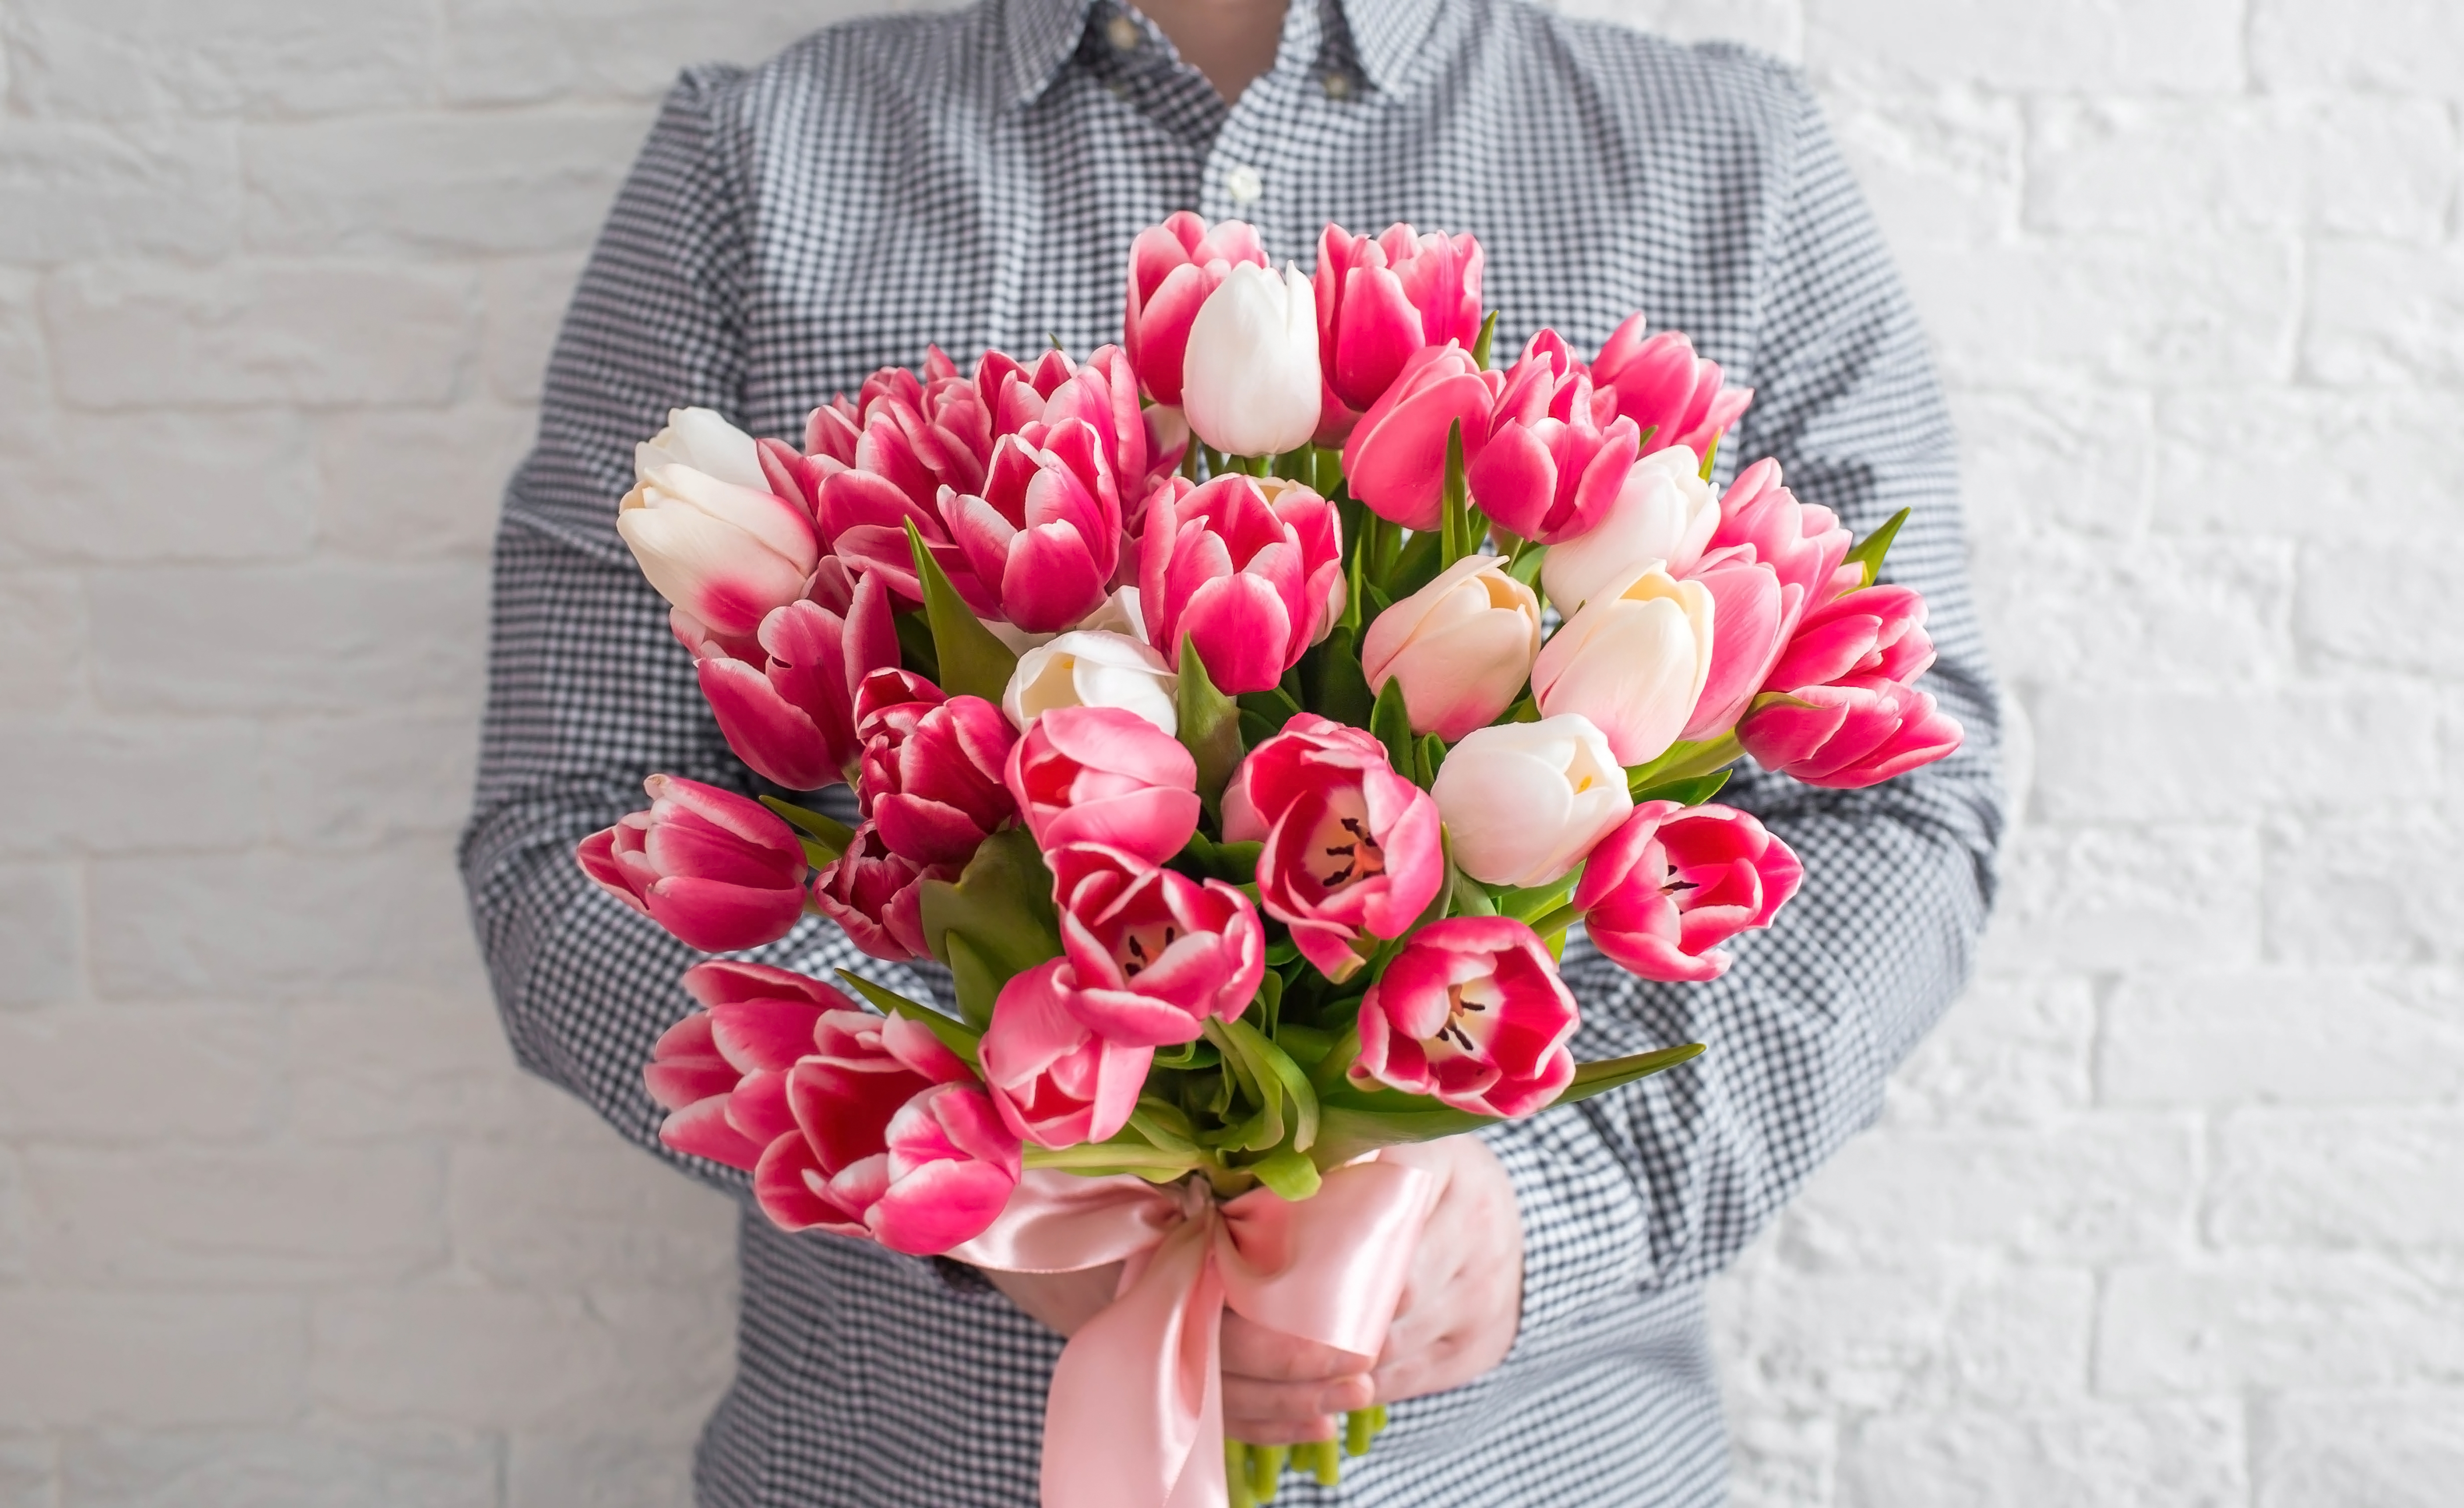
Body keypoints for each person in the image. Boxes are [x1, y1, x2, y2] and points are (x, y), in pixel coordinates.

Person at [457, 0, 2006, 1500]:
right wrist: (1007, 1180)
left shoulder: (1731, 161)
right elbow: (569, 833)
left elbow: (1911, 816)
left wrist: (1543, 1218)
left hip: (1543, 1470)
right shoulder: (757, 166)